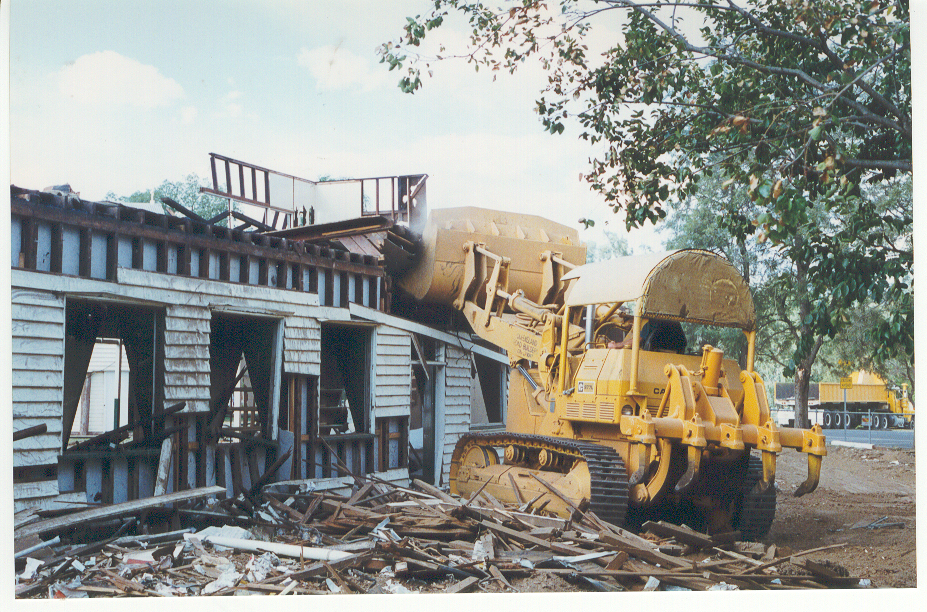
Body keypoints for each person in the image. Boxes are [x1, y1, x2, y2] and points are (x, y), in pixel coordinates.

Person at [609, 319, 686, 353]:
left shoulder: (651, 322)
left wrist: (616, 345)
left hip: (653, 358)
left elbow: (635, 341)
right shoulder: (676, 323)